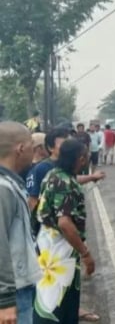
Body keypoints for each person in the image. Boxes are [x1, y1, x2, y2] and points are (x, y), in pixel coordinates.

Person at [25, 129, 103, 322]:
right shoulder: (64, 182)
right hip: (58, 250)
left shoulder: (54, 174)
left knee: (61, 298)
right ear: (78, 159)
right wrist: (86, 254)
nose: (84, 161)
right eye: (83, 157)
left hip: (50, 245)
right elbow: (65, 223)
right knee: (54, 302)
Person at [0, 121, 41, 324]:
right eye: (32, 145)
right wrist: (5, 301)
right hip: (13, 291)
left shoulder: (12, 183)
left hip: (19, 286)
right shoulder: (3, 188)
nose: (34, 150)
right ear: (21, 148)